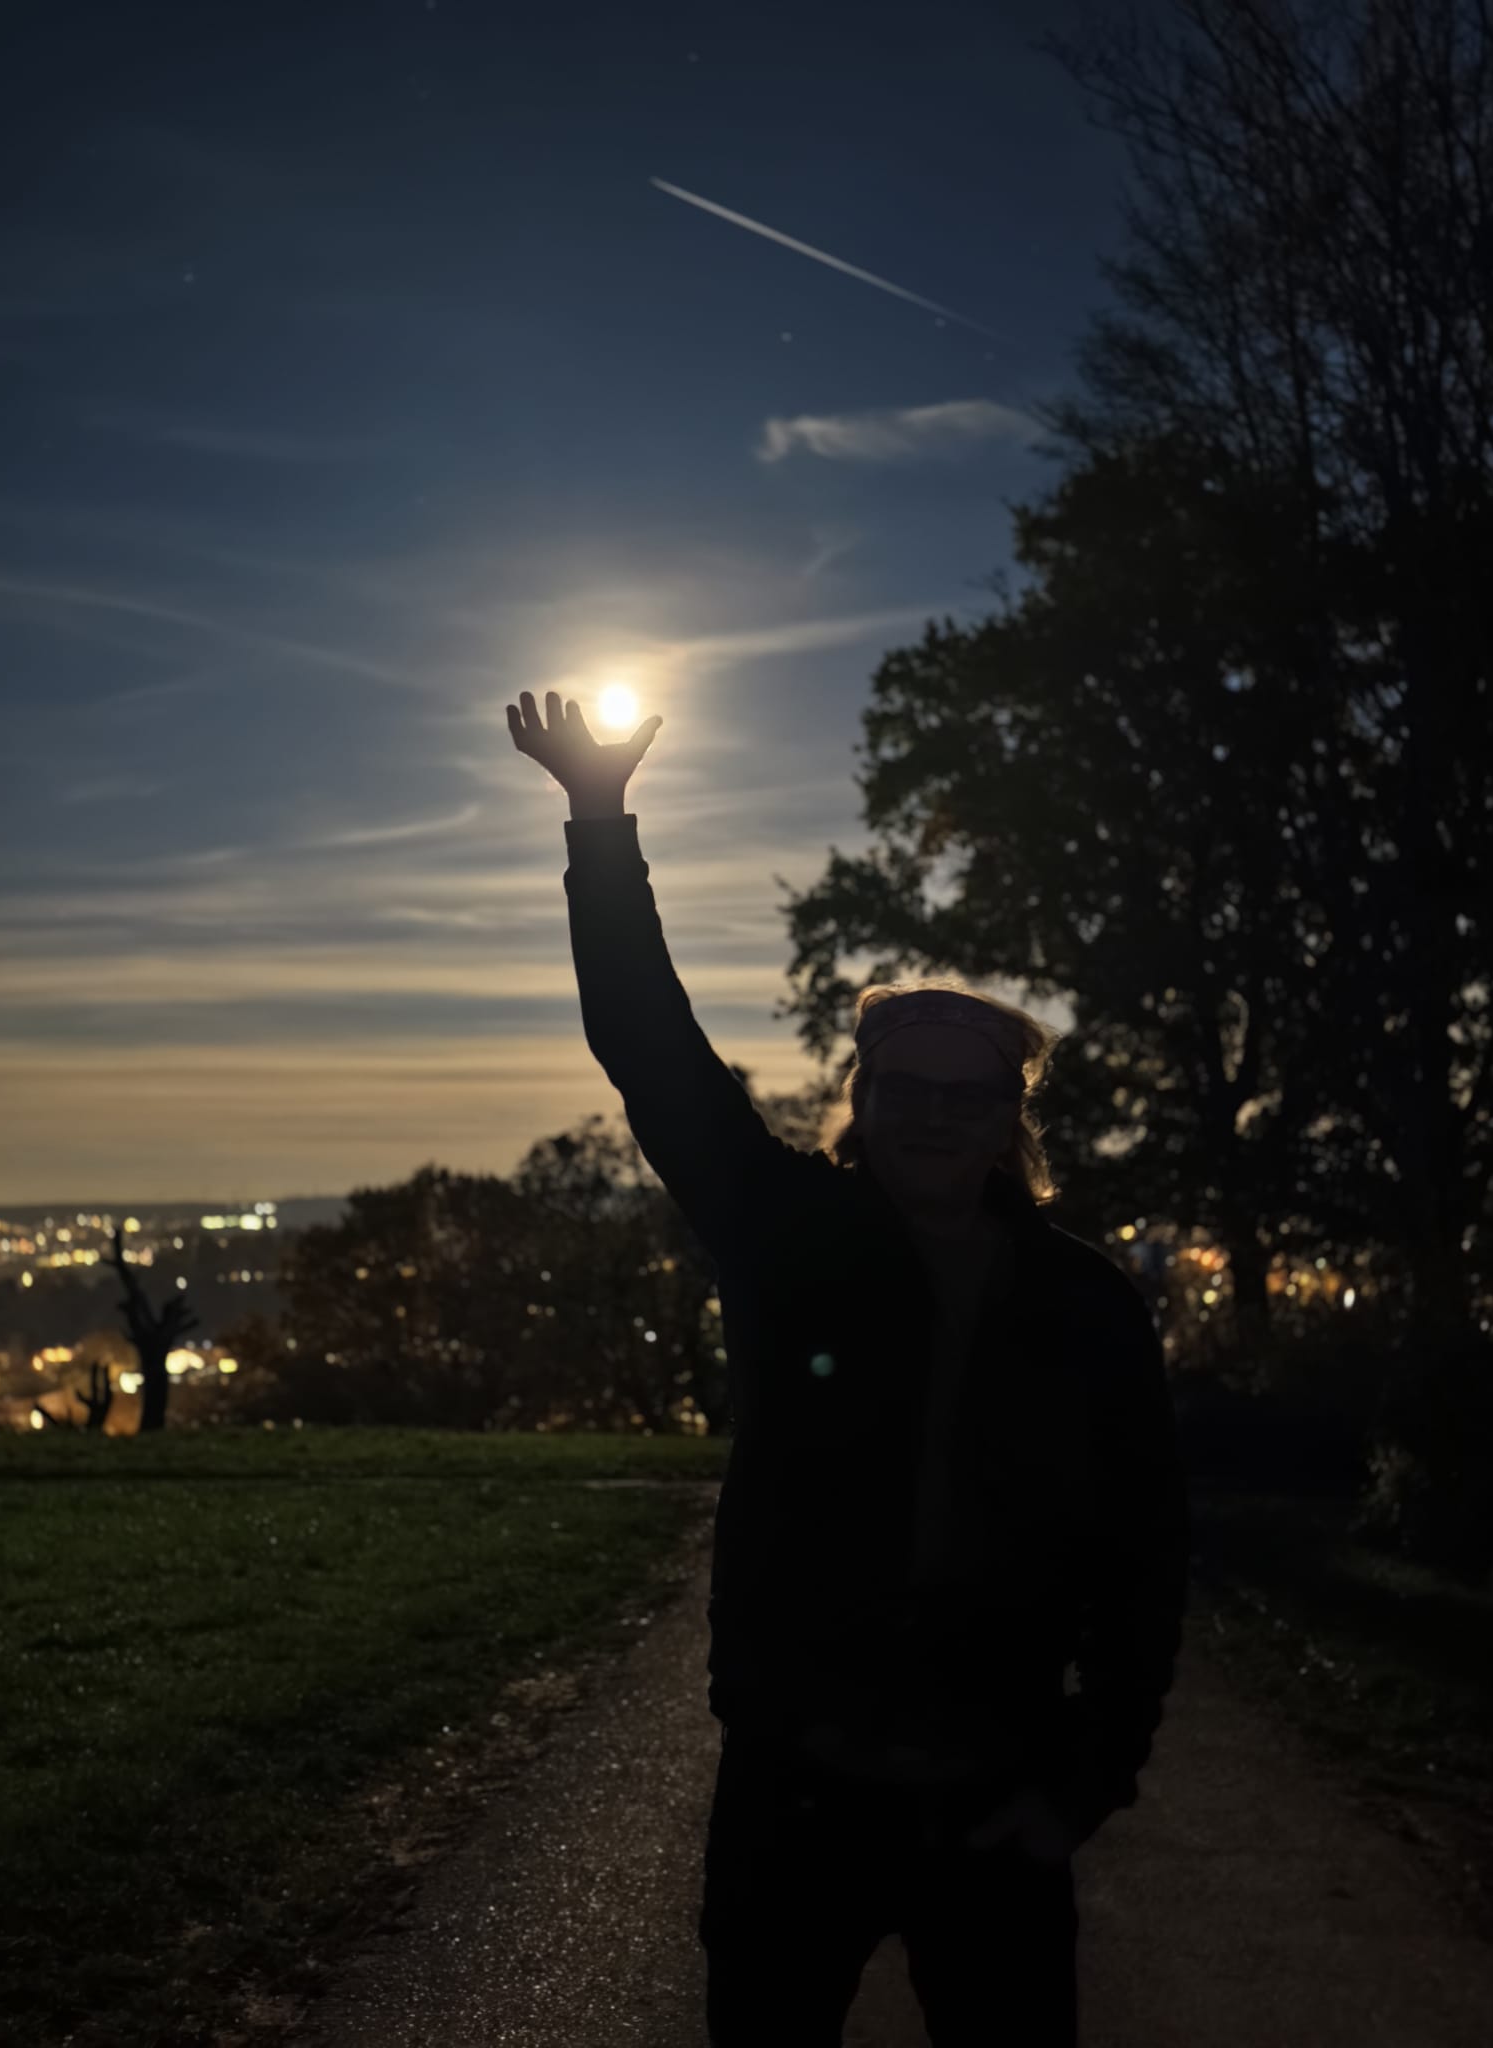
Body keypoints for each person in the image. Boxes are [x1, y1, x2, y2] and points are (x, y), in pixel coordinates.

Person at [507, 690, 1190, 2047]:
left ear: (1009, 1123)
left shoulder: (1087, 1305)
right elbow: (649, 1048)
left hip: (998, 1794)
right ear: (860, 1105)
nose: (933, 1117)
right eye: (904, 1091)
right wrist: (597, 816)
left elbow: (1144, 1555)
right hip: (797, 1787)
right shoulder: (787, 1233)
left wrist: (1085, 1783)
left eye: (966, 1097)